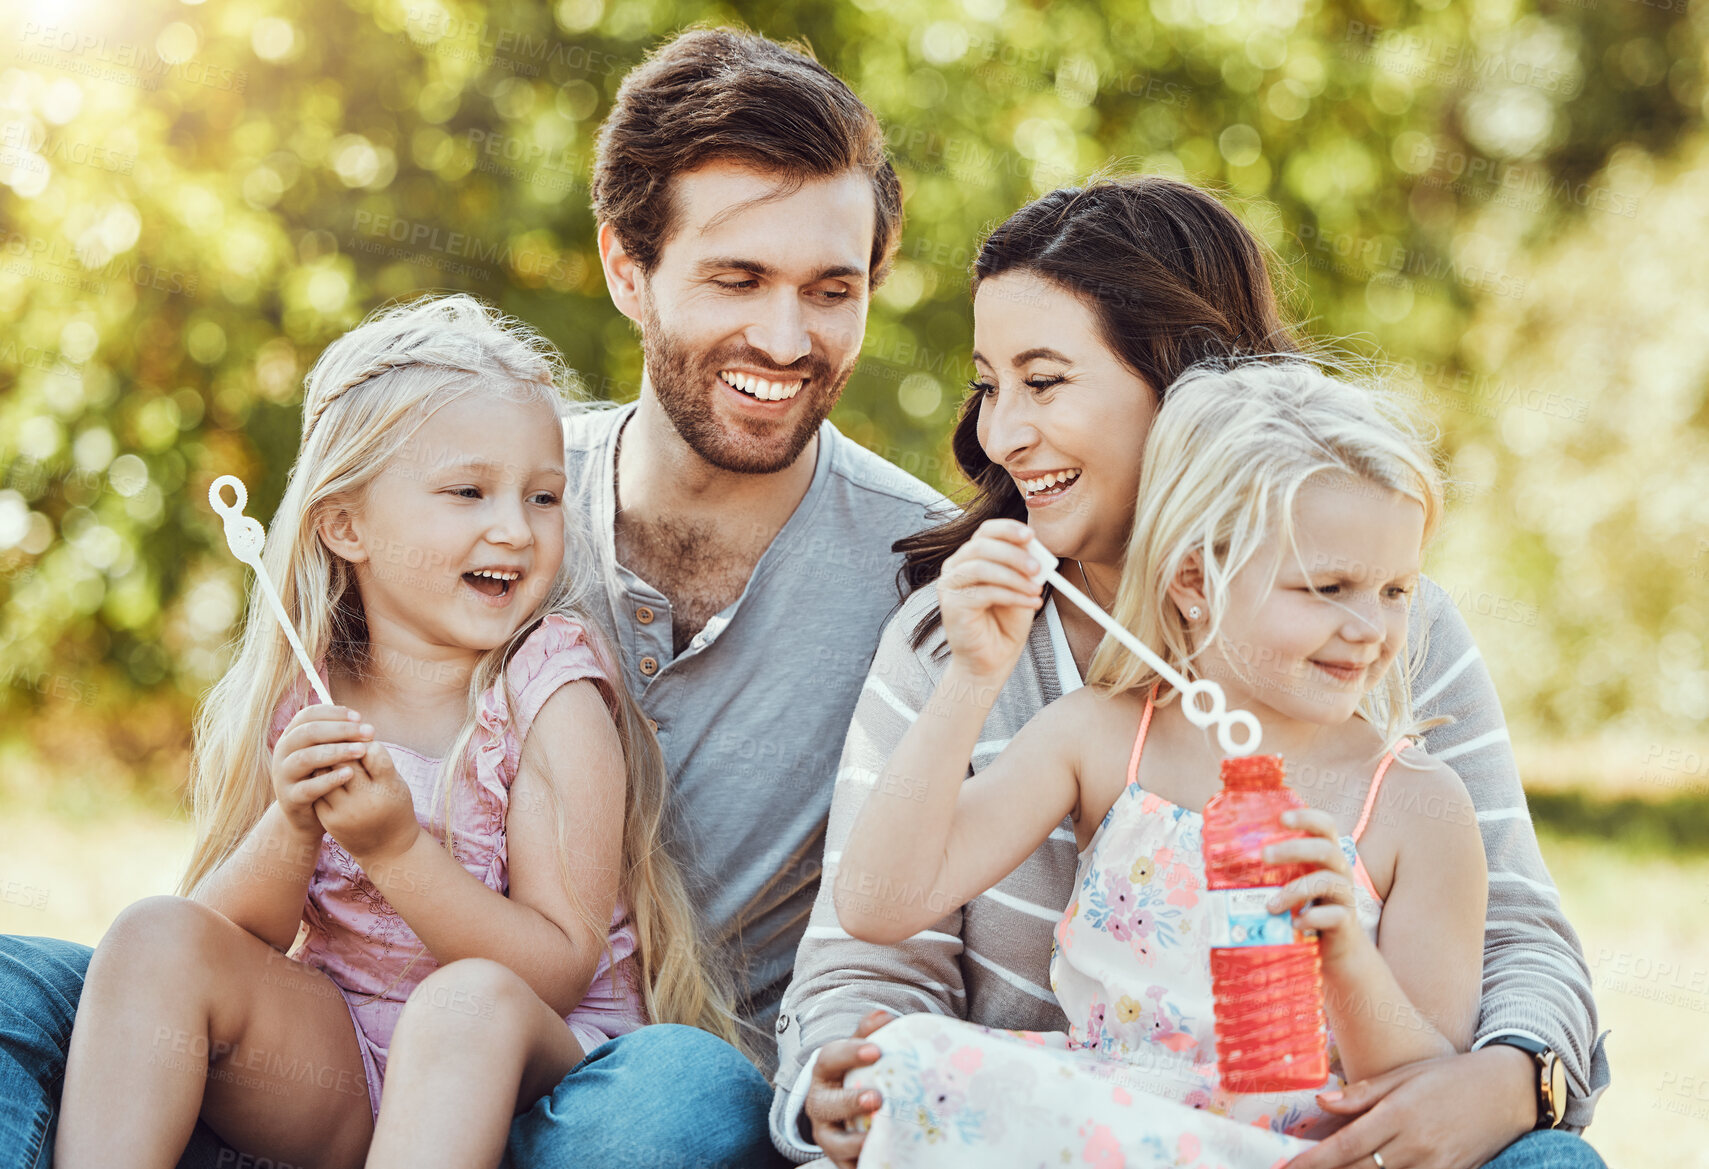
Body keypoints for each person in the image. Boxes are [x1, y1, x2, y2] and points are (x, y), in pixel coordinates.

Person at [0, 27, 940, 1169]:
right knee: (42, 979)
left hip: (600, 1092)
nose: (785, 338)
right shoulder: (494, 484)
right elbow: (225, 920)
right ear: (624, 269)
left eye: (830, 289)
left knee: (677, 1096)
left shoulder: (918, 566)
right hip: (340, 1054)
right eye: (736, 278)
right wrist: (297, 819)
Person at [773, 177, 1610, 1169]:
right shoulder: (1021, 674)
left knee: (1542, 1161)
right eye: (989, 386)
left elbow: (1505, 937)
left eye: (1044, 382)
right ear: (1192, 583)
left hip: (1316, 1133)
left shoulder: (1391, 644)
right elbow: (869, 927)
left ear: (1178, 387)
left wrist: (1513, 1073)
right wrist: (841, 1065)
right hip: (1096, 1124)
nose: (998, 434)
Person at [51, 295, 745, 1168]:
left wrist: (391, 848)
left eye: (542, 496)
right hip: (346, 1059)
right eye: (468, 491)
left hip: (541, 1078)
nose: (514, 527)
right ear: (346, 525)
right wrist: (295, 824)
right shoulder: (312, 693)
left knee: (461, 1006)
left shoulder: (548, 692)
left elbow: (557, 965)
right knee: (154, 934)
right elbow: (232, 936)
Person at [835, 357, 1488, 1164]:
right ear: (1194, 581)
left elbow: (1429, 1090)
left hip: (1289, 1151)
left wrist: (1343, 955)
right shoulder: (1101, 737)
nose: (1371, 628)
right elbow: (876, 902)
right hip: (1106, 1128)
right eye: (1327, 587)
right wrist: (972, 678)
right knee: (908, 1055)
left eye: (1395, 590)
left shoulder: (1415, 805)